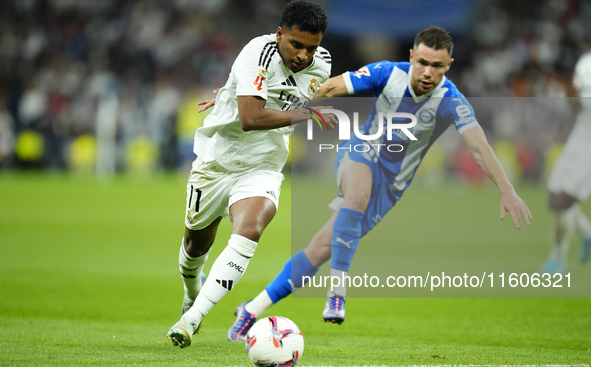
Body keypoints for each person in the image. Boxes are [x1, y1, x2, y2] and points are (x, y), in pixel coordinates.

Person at [214, 26, 532, 342]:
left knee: (321, 248)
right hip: (360, 151)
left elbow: (479, 146)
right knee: (356, 193)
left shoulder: (452, 101)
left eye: (437, 66)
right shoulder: (387, 73)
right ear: (411, 57)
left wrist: (507, 189)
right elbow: (330, 88)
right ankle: (337, 292)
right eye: (422, 62)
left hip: (391, 186)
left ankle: (251, 310)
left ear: (448, 66)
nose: (427, 72)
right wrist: (253, 99)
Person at [166, 0, 335, 349]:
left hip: (263, 163)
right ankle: (191, 290)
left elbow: (294, 97)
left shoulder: (323, 64)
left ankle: (191, 318)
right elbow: (250, 118)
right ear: (279, 34)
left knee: (250, 228)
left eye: (311, 47)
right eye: (296, 44)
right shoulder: (257, 53)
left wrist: (232, 91)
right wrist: (304, 115)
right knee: (195, 244)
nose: (304, 55)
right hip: (216, 161)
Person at [541, 51, 591, 274]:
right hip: (580, 135)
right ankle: (587, 233)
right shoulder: (586, 62)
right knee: (554, 196)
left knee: (563, 200)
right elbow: (578, 102)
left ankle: (558, 260)